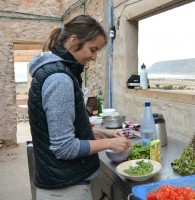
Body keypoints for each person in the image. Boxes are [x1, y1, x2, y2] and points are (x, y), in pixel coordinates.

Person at [28, 15, 131, 200]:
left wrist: (101, 132)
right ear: (74, 41)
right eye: (93, 49)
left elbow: (63, 126)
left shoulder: (56, 71)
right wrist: (110, 144)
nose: (94, 57)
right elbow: (64, 147)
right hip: (64, 189)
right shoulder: (59, 79)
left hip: (60, 182)